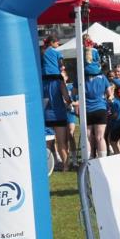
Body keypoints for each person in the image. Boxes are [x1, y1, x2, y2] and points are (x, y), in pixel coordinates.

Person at [41, 36, 71, 171]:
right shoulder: (59, 80)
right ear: (53, 43)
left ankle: (48, 167)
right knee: (62, 142)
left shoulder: (40, 81)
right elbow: (65, 95)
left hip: (45, 113)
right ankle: (66, 165)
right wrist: (70, 101)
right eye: (57, 42)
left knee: (47, 143)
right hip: (58, 113)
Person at [84, 60, 110, 158]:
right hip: (100, 109)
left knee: (88, 137)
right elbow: (109, 93)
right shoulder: (103, 77)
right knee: (100, 137)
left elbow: (74, 92)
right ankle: (102, 160)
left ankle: (88, 160)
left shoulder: (82, 77)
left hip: (87, 109)